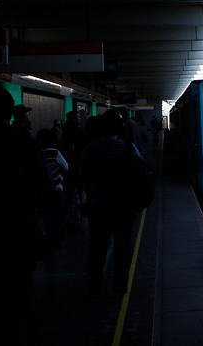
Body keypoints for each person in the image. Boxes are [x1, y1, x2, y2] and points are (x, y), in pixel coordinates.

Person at [0, 86, 56, 345]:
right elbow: (46, 191)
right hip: (19, 243)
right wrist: (49, 239)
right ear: (8, 112)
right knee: (16, 313)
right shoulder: (23, 143)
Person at [79, 109, 145, 297]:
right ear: (120, 128)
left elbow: (81, 175)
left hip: (98, 207)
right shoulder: (127, 147)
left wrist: (91, 192)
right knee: (124, 247)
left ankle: (95, 287)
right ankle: (120, 287)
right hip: (124, 207)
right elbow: (142, 171)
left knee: (98, 248)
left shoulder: (90, 149)